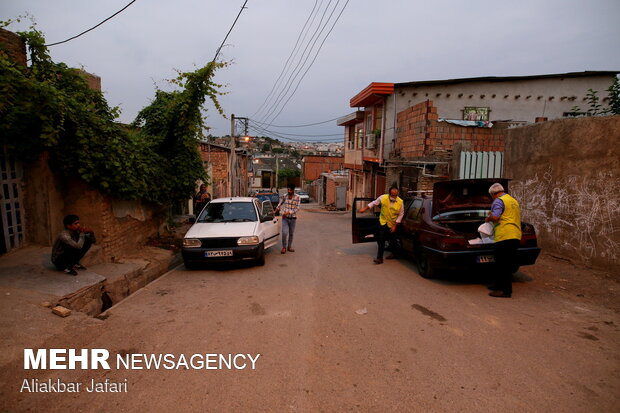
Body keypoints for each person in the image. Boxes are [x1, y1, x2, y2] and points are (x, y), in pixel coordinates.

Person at [485, 183, 522, 298]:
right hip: (515, 235)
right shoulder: (513, 201)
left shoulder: (498, 201)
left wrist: (488, 218)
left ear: (493, 194)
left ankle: (505, 291)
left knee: (502, 264)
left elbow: (496, 217)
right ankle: (497, 285)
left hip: (504, 235)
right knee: (505, 263)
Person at [359, 185, 404, 264]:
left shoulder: (400, 202)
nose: (394, 197)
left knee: (393, 240)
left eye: (395, 195)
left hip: (392, 224)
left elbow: (401, 214)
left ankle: (394, 254)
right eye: (392, 195)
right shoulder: (383, 197)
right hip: (383, 222)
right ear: (389, 193)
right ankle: (379, 258)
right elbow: (374, 203)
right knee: (381, 239)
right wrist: (365, 209)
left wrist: (395, 226)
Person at [275, 183, 301, 254]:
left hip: (293, 218)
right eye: (288, 190)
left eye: (290, 190)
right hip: (285, 218)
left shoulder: (298, 197)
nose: (289, 191)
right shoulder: (285, 196)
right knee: (284, 232)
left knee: (291, 233)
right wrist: (275, 210)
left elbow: (297, 208)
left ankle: (289, 247)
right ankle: (284, 247)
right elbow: (280, 204)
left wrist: (289, 212)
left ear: (293, 190)